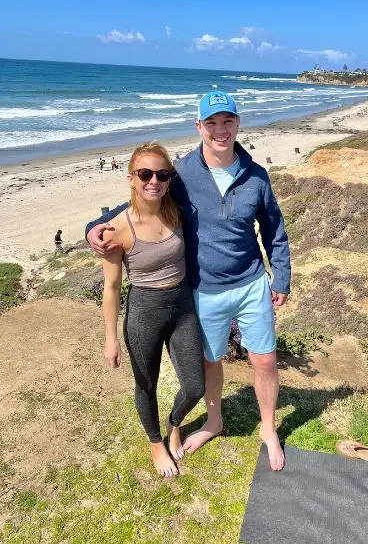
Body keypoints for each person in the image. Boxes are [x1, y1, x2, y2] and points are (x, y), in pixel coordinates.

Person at [86, 91, 291, 471]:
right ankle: (214, 422)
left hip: (250, 283)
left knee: (264, 359)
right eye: (211, 122)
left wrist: (282, 276)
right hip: (205, 289)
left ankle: (268, 428)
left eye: (227, 121)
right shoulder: (181, 175)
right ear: (199, 127)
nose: (220, 130)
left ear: (237, 124)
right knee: (211, 363)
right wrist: (92, 229)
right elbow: (142, 199)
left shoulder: (256, 176)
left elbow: (274, 229)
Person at [100, 142, 205, 478]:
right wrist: (110, 339)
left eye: (162, 174)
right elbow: (112, 288)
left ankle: (175, 424)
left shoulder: (174, 209)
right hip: (144, 311)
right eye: (145, 174)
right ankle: (155, 442)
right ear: (131, 178)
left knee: (195, 386)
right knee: (146, 384)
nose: (153, 181)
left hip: (183, 306)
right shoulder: (116, 229)